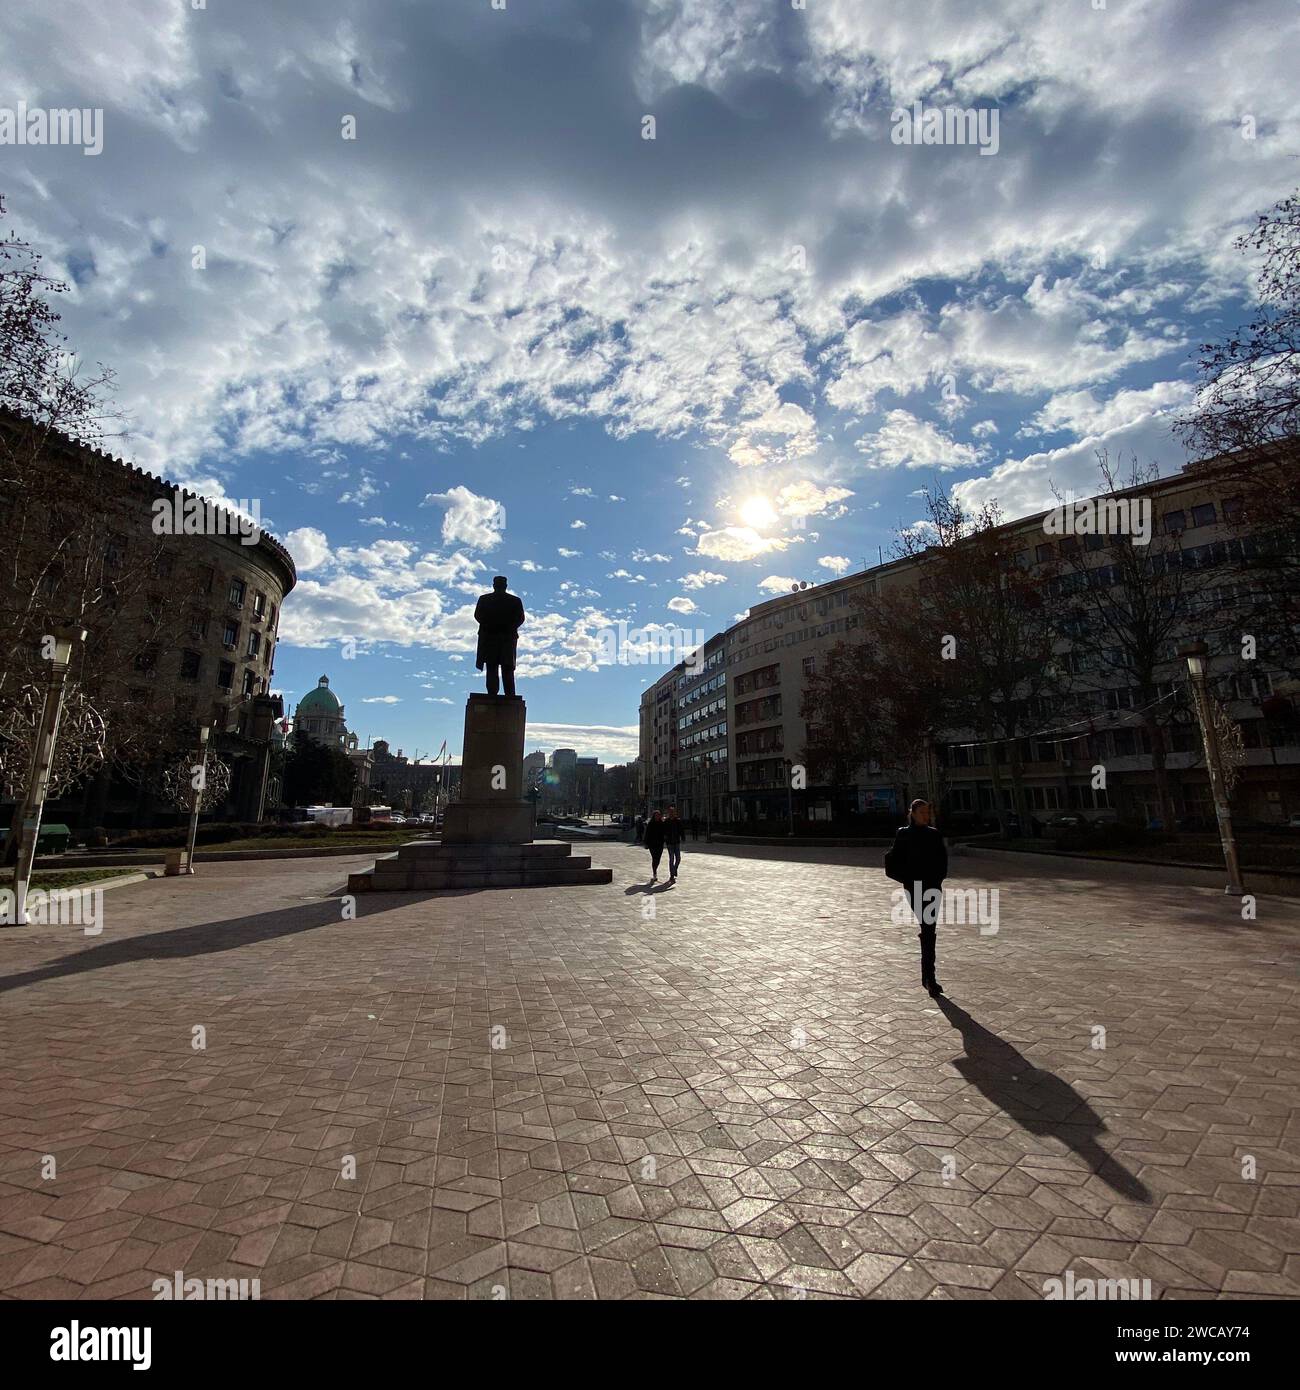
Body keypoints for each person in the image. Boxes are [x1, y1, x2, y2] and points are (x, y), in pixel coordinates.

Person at [888, 798, 949, 996]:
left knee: (928, 927)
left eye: (927, 813)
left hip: (932, 889)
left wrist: (936, 881)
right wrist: (906, 879)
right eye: (922, 812)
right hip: (913, 888)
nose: (925, 816)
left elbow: (942, 862)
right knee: (927, 926)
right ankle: (929, 977)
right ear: (912, 813)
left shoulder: (934, 835)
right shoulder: (903, 834)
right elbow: (892, 861)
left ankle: (929, 978)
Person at [473, 576, 525, 696]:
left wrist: (497, 626)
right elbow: (478, 616)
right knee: (498, 668)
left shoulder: (486, 599)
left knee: (499, 668)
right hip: (497, 638)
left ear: (494, 585)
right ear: (505, 586)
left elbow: (520, 619)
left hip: (501, 639)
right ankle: (503, 695)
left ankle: (503, 696)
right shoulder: (513, 601)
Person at [644, 810, 665, 881]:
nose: (657, 816)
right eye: (656, 815)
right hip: (652, 844)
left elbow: (665, 832)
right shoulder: (651, 823)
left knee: (658, 859)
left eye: (659, 815)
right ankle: (654, 873)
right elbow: (647, 833)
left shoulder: (662, 823)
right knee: (654, 858)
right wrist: (646, 843)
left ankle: (655, 870)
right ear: (654, 816)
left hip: (660, 844)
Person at [664, 805, 684, 881]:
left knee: (678, 859)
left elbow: (681, 830)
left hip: (676, 842)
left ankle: (675, 869)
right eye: (670, 811)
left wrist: (683, 837)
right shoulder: (666, 821)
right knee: (671, 859)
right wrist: (665, 838)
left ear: (674, 812)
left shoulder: (677, 821)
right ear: (668, 812)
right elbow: (664, 831)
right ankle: (672, 875)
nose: (671, 813)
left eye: (673, 811)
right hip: (669, 843)